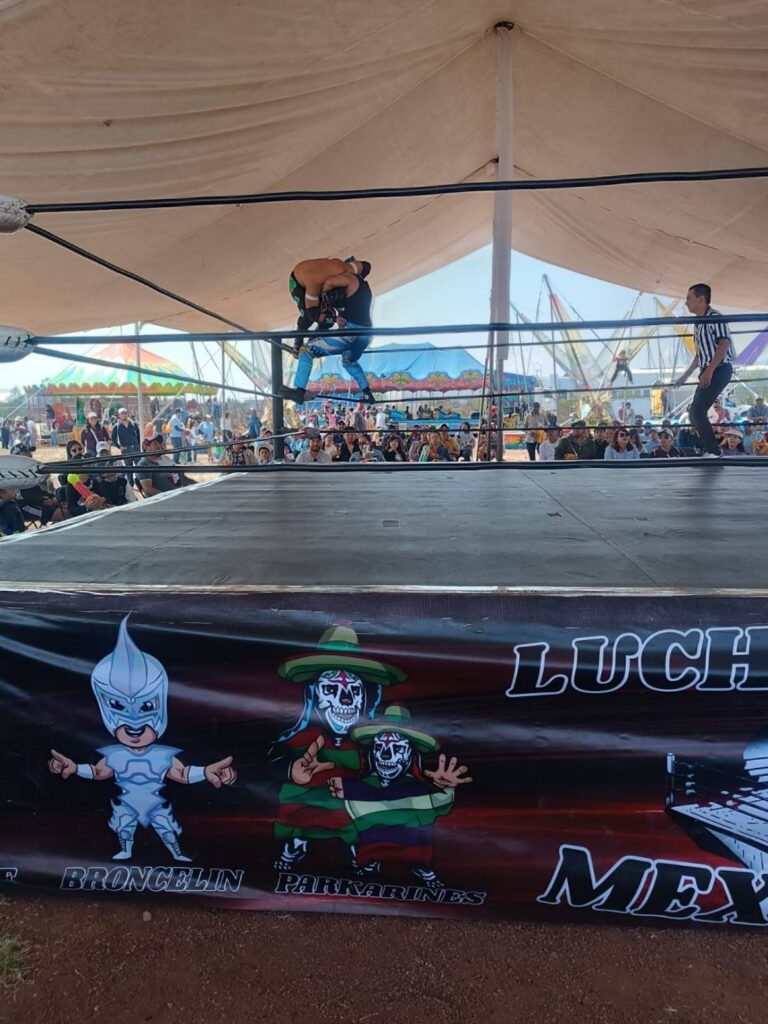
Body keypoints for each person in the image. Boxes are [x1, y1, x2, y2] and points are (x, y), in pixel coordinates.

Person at [279, 257, 375, 405]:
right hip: (364, 336)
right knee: (349, 361)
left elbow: (330, 282)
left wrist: (321, 293)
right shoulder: (364, 289)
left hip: (350, 334)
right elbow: (366, 266)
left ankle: (299, 391)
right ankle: (367, 394)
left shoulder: (347, 279)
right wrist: (333, 315)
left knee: (306, 350)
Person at [673, 283, 736, 458]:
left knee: (696, 412)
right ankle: (710, 449)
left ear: (701, 299)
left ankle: (713, 451)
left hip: (718, 369)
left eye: (689, 298)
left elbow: (723, 344)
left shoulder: (715, 317)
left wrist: (709, 371)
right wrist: (684, 377)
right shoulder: (699, 322)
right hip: (709, 369)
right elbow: (700, 354)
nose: (686, 302)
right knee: (695, 413)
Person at [111, 407, 141, 484]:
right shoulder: (117, 426)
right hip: (126, 450)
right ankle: (130, 485)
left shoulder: (133, 424)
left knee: (140, 467)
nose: (124, 415)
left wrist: (138, 445)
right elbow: (113, 438)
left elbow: (138, 435)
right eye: (122, 413)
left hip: (135, 448)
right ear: (119, 415)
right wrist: (119, 447)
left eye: (125, 413)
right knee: (128, 469)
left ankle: (140, 483)